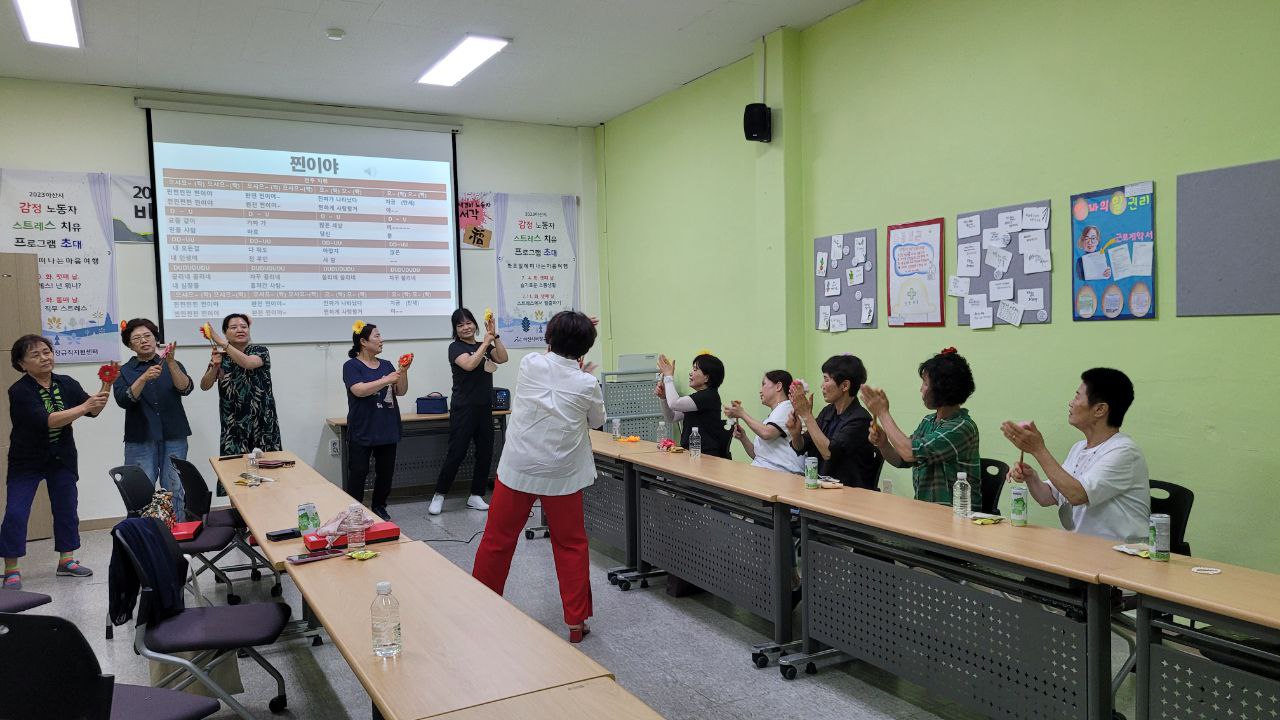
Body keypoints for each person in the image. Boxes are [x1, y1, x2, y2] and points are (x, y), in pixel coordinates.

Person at [472, 311, 604, 643]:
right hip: (562, 475)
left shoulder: (531, 364)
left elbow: (552, 357)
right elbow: (596, 422)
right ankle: (576, 623)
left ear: (549, 338)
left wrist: (568, 338)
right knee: (571, 545)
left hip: (519, 468)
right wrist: (578, 364)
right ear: (585, 347)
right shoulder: (587, 383)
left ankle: (478, 609)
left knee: (497, 541)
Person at [3, 335, 108, 590]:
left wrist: (107, 383)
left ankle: (67, 561)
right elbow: (48, 420)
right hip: (26, 460)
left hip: (61, 457)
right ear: (21, 364)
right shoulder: (19, 391)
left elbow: (94, 410)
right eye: (36, 355)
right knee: (16, 513)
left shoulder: (66, 383)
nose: (45, 357)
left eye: (47, 351)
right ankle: (11, 569)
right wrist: (85, 407)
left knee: (66, 508)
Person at [1001, 368, 1150, 543]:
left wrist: (1038, 450)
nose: (1071, 403)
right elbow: (1048, 497)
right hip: (1082, 548)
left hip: (1120, 555)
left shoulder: (1124, 452)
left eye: (1077, 397)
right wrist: (1032, 478)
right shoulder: (1079, 448)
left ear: (1100, 409)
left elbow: (1077, 495)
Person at [860, 347, 980, 507]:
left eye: (925, 383)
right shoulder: (929, 421)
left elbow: (909, 452)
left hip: (956, 516)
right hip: (926, 511)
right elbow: (901, 459)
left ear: (942, 389)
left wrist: (882, 412)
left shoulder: (962, 427)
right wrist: (883, 443)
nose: (921, 389)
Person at [113, 318, 193, 520]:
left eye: (147, 336)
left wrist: (172, 363)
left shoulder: (172, 364)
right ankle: (143, 537)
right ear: (130, 345)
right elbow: (124, 399)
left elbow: (186, 388)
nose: (143, 341)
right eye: (137, 338)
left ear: (155, 338)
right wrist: (143, 378)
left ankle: (177, 537)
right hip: (140, 437)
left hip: (174, 434)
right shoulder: (124, 371)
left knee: (175, 487)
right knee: (140, 490)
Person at [431, 308, 508, 515]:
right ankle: (439, 494)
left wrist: (495, 336)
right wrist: (484, 343)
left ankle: (476, 495)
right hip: (463, 408)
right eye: (460, 325)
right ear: (455, 329)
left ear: (475, 324)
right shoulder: (454, 347)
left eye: (469, 323)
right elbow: (469, 364)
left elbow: (502, 358)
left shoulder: (484, 345)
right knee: (456, 453)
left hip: (484, 408)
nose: (466, 327)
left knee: (485, 452)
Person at [342, 321, 410, 521]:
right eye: (377, 336)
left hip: (387, 426)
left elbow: (401, 391)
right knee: (358, 472)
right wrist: (386, 379)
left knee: (385, 472)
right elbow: (359, 390)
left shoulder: (387, 365)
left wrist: (402, 372)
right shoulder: (351, 365)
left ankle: (380, 506)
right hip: (363, 427)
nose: (381, 340)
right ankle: (355, 510)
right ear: (363, 341)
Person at [788, 355, 880, 488]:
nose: (822, 385)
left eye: (826, 379)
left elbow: (829, 453)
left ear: (845, 385)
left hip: (849, 492)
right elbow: (801, 447)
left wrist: (807, 416)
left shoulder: (860, 419)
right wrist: (795, 434)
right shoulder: (828, 411)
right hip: (821, 487)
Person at [198, 313, 282, 455]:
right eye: (234, 327)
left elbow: (248, 363)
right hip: (233, 427)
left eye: (244, 327)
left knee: (269, 470)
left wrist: (221, 342)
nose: (240, 330)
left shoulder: (260, 351)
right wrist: (215, 368)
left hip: (262, 425)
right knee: (232, 473)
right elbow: (204, 386)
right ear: (226, 333)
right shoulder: (221, 358)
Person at [656, 353, 731, 459]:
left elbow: (674, 403)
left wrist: (668, 376)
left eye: (695, 370)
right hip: (691, 454)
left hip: (705, 457)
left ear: (706, 377)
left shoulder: (708, 396)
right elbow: (671, 417)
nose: (691, 373)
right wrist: (663, 398)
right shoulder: (699, 398)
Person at [728, 370, 804, 474]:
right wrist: (743, 438)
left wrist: (742, 414)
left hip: (782, 474)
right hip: (767, 471)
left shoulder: (787, 407)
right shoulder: (774, 415)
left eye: (764, 384)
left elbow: (767, 433)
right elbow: (758, 456)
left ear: (778, 386)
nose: (760, 391)